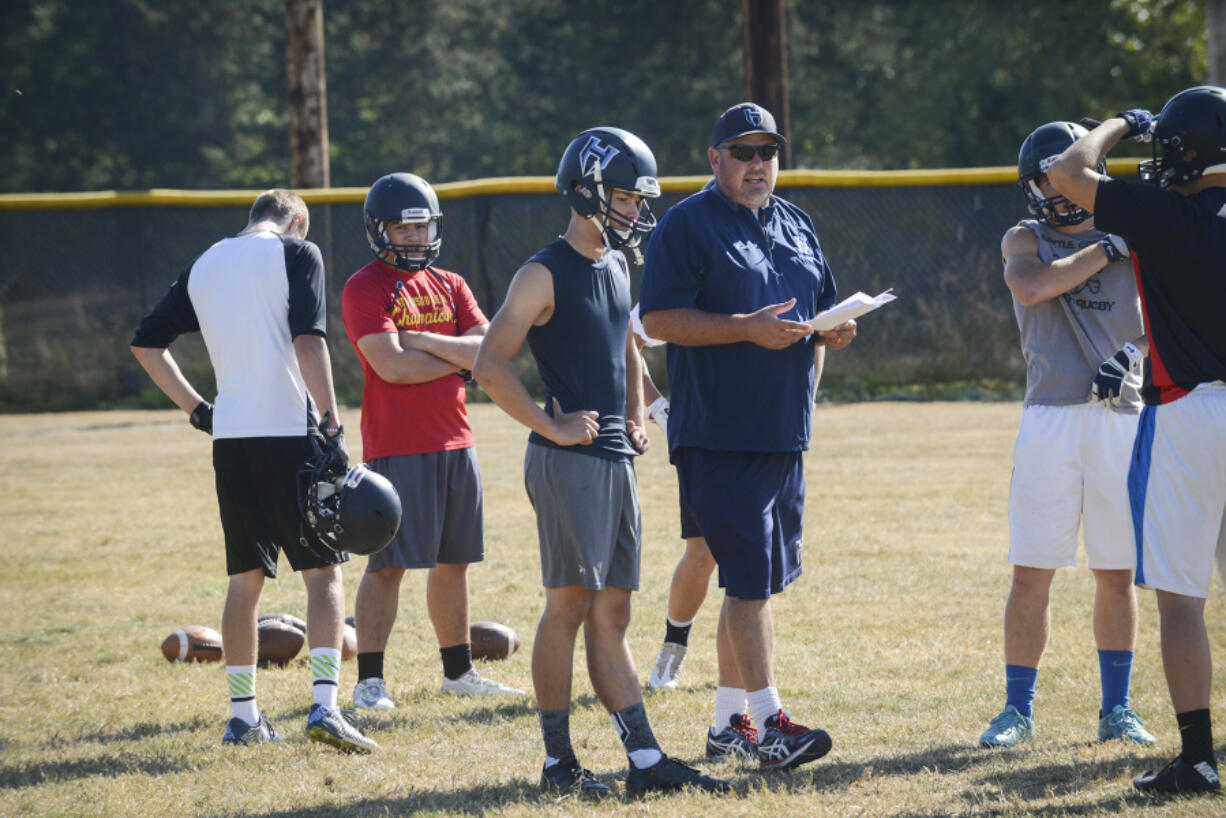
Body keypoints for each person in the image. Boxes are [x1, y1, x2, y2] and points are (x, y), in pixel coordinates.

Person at [473, 127, 732, 798]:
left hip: (613, 457)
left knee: (612, 612)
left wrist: (638, 407)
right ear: (588, 190)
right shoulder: (542, 271)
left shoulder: (616, 265)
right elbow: (489, 363)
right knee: (568, 605)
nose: (632, 211)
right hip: (570, 464)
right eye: (622, 196)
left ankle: (644, 763)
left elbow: (622, 343)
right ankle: (559, 765)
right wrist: (551, 426)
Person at [638, 102, 851, 770]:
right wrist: (743, 326)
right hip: (720, 433)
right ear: (715, 159)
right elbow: (660, 319)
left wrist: (837, 330)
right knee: (750, 583)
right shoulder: (687, 224)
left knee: (753, 581)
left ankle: (729, 722)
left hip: (783, 430)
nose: (758, 165)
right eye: (743, 152)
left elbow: (819, 311)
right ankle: (771, 721)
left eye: (768, 153)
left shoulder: (795, 220)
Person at [130, 189, 377, 753]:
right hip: (290, 434)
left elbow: (146, 343)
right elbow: (309, 343)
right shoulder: (298, 252)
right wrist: (334, 425)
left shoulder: (207, 262)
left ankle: (243, 720)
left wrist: (198, 410)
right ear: (296, 221)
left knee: (245, 582)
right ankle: (325, 709)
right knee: (324, 574)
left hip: (232, 439)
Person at [1048, 86, 1226, 795]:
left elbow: (1066, 171)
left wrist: (1122, 122)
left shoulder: (1164, 212)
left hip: (1189, 410)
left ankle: (1198, 757)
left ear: (1181, 150)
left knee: (1181, 597)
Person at [976, 121, 1156, 751]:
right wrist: (1108, 249)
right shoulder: (1026, 236)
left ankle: (1118, 708)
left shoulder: (1138, 230)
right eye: (1045, 182)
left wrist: (1129, 356)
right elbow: (1032, 285)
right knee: (1032, 571)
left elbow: (1157, 322)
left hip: (1121, 416)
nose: (1057, 193)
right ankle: (1016, 709)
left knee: (1116, 569)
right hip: (1050, 415)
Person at [340, 172, 523, 707]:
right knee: (388, 565)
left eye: (423, 228)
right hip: (396, 445)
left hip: (456, 441)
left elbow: (490, 351)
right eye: (404, 228)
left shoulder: (451, 283)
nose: (416, 239)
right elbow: (391, 368)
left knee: (455, 562)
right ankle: (370, 681)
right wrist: (454, 358)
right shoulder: (364, 286)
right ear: (381, 231)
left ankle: (458, 673)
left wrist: (419, 339)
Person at [629, 305, 719, 697]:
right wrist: (657, 408)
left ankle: (746, 671)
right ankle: (673, 647)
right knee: (703, 552)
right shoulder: (689, 279)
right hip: (702, 436)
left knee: (754, 557)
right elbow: (627, 341)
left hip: (763, 431)